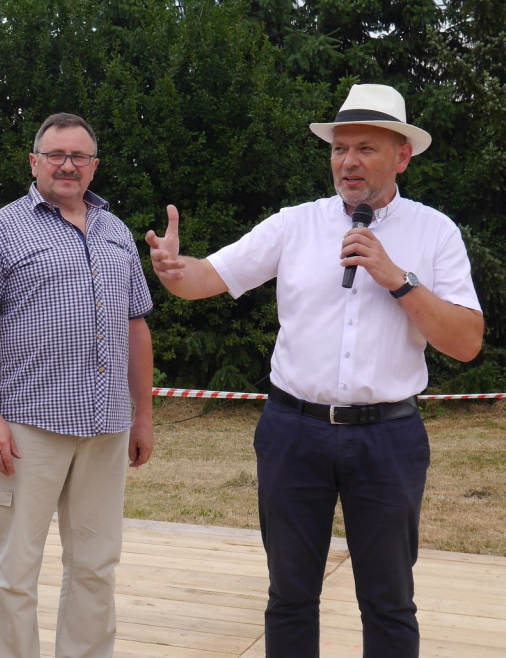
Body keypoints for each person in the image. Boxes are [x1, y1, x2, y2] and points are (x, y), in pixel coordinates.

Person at [146, 84, 484, 656]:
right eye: (339, 148)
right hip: (293, 433)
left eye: (365, 148)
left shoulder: (435, 232)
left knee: (389, 602)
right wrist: (173, 269)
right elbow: (206, 279)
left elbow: (467, 342)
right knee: (290, 596)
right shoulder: (295, 225)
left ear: (402, 155)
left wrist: (397, 278)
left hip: (388, 439)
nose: (348, 161)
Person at [0, 112, 155, 657]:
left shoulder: (116, 231)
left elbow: (137, 326)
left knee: (96, 566)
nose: (68, 165)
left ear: (93, 166)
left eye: (80, 156)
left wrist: (143, 415)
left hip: (107, 425)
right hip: (27, 427)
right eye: (57, 155)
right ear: (34, 162)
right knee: (16, 569)